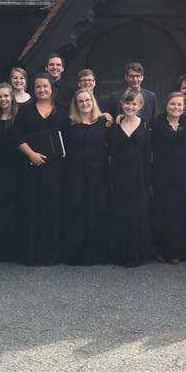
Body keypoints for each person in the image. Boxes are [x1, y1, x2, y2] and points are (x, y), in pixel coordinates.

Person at [14, 73, 67, 265]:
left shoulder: (62, 110)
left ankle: (53, 254)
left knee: (53, 207)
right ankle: (33, 253)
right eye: (38, 87)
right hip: (32, 166)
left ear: (52, 88)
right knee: (34, 207)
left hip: (56, 168)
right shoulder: (25, 111)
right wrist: (32, 155)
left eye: (45, 86)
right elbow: (17, 136)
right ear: (33, 89)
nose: (42, 90)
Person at [63, 88, 111, 265]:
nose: (85, 104)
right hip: (75, 175)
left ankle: (98, 252)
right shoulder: (69, 124)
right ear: (76, 104)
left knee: (97, 211)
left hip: (98, 175)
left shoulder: (103, 122)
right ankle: (77, 253)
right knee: (77, 212)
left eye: (87, 100)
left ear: (93, 102)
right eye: (81, 101)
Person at [108, 90, 152, 266]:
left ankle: (137, 253)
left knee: (138, 214)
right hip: (120, 175)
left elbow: (148, 153)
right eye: (127, 103)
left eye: (134, 104)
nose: (130, 106)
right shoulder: (116, 125)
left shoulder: (145, 125)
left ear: (140, 106)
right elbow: (112, 153)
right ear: (122, 104)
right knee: (121, 213)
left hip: (139, 175)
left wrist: (148, 182)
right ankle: (120, 253)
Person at [151, 92, 186, 263]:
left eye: (179, 105)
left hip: (184, 173)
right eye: (172, 104)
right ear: (166, 105)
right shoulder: (157, 122)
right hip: (162, 173)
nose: (176, 107)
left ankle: (179, 252)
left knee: (181, 212)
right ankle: (163, 250)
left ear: (183, 108)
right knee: (165, 211)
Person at [0, 82, 20, 262]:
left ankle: (14, 249)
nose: (3, 99)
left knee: (15, 207)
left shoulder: (20, 116)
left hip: (17, 168)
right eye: (0, 96)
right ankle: (0, 250)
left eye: (6, 96)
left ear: (12, 97)